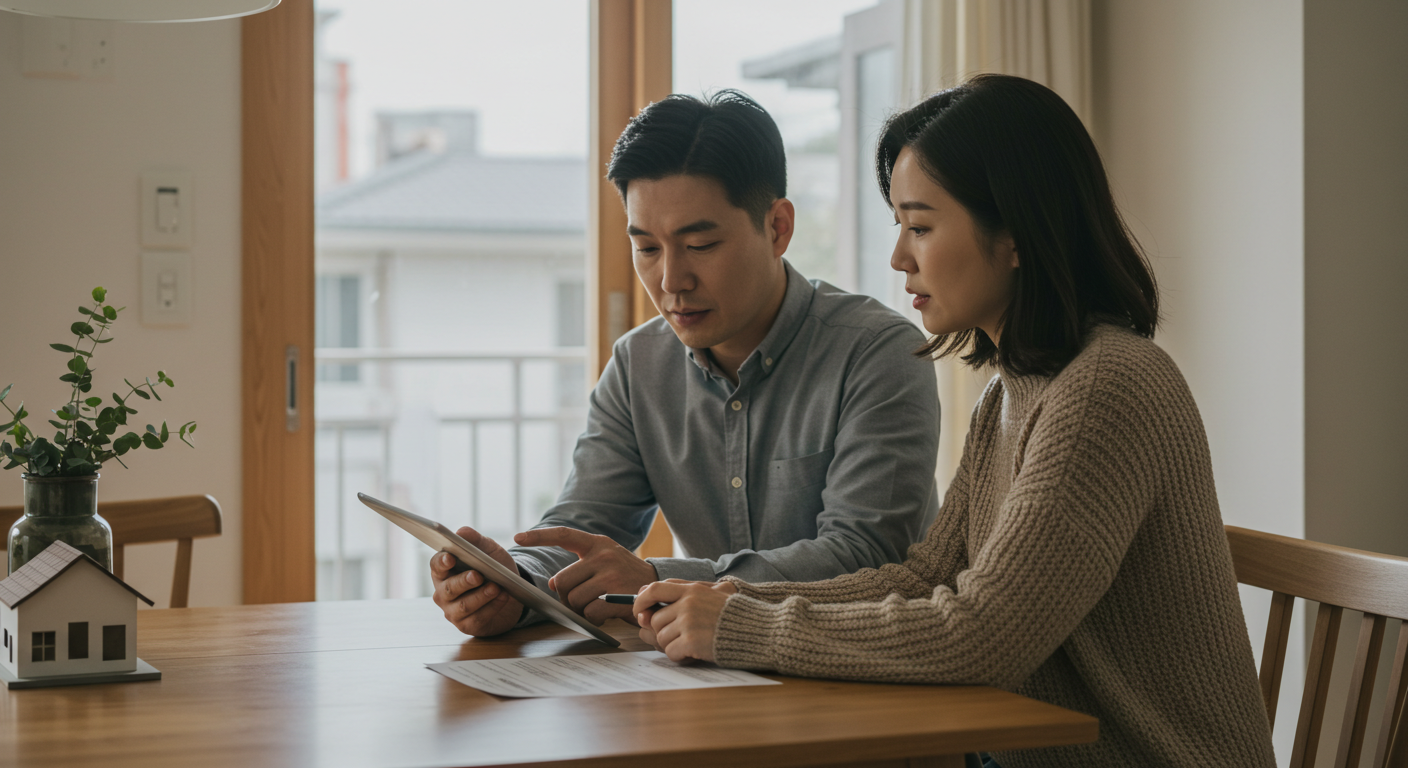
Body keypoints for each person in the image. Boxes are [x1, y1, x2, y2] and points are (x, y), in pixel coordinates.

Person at [632, 75, 1277, 767]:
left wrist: (741, 627)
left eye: (921, 227)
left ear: (1017, 234)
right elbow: (929, 576)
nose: (899, 258)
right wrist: (728, 596)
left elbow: (983, 634)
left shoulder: (1106, 389)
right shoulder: (1013, 391)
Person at [430, 90, 941, 637]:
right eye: (647, 248)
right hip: (714, 677)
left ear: (778, 228)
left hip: (864, 669)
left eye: (699, 244)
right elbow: (581, 528)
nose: (671, 281)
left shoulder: (879, 353)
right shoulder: (638, 366)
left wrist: (655, 578)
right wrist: (512, 584)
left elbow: (865, 558)